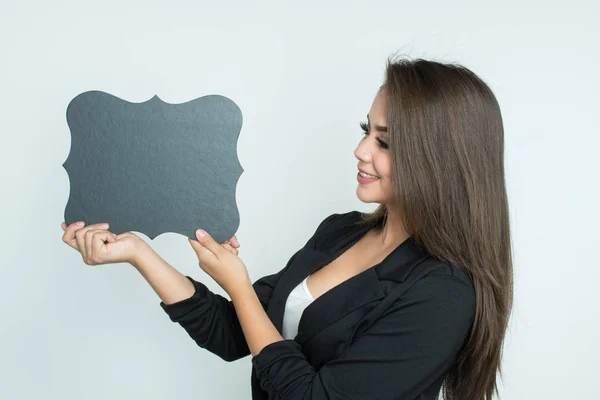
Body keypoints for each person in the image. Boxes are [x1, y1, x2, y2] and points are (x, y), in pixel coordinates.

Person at [60, 56, 513, 400]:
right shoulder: (341, 232)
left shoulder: (444, 293)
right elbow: (234, 333)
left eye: (384, 141)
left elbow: (310, 395)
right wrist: (139, 252)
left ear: (440, 160)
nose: (359, 150)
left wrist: (239, 287)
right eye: (365, 130)